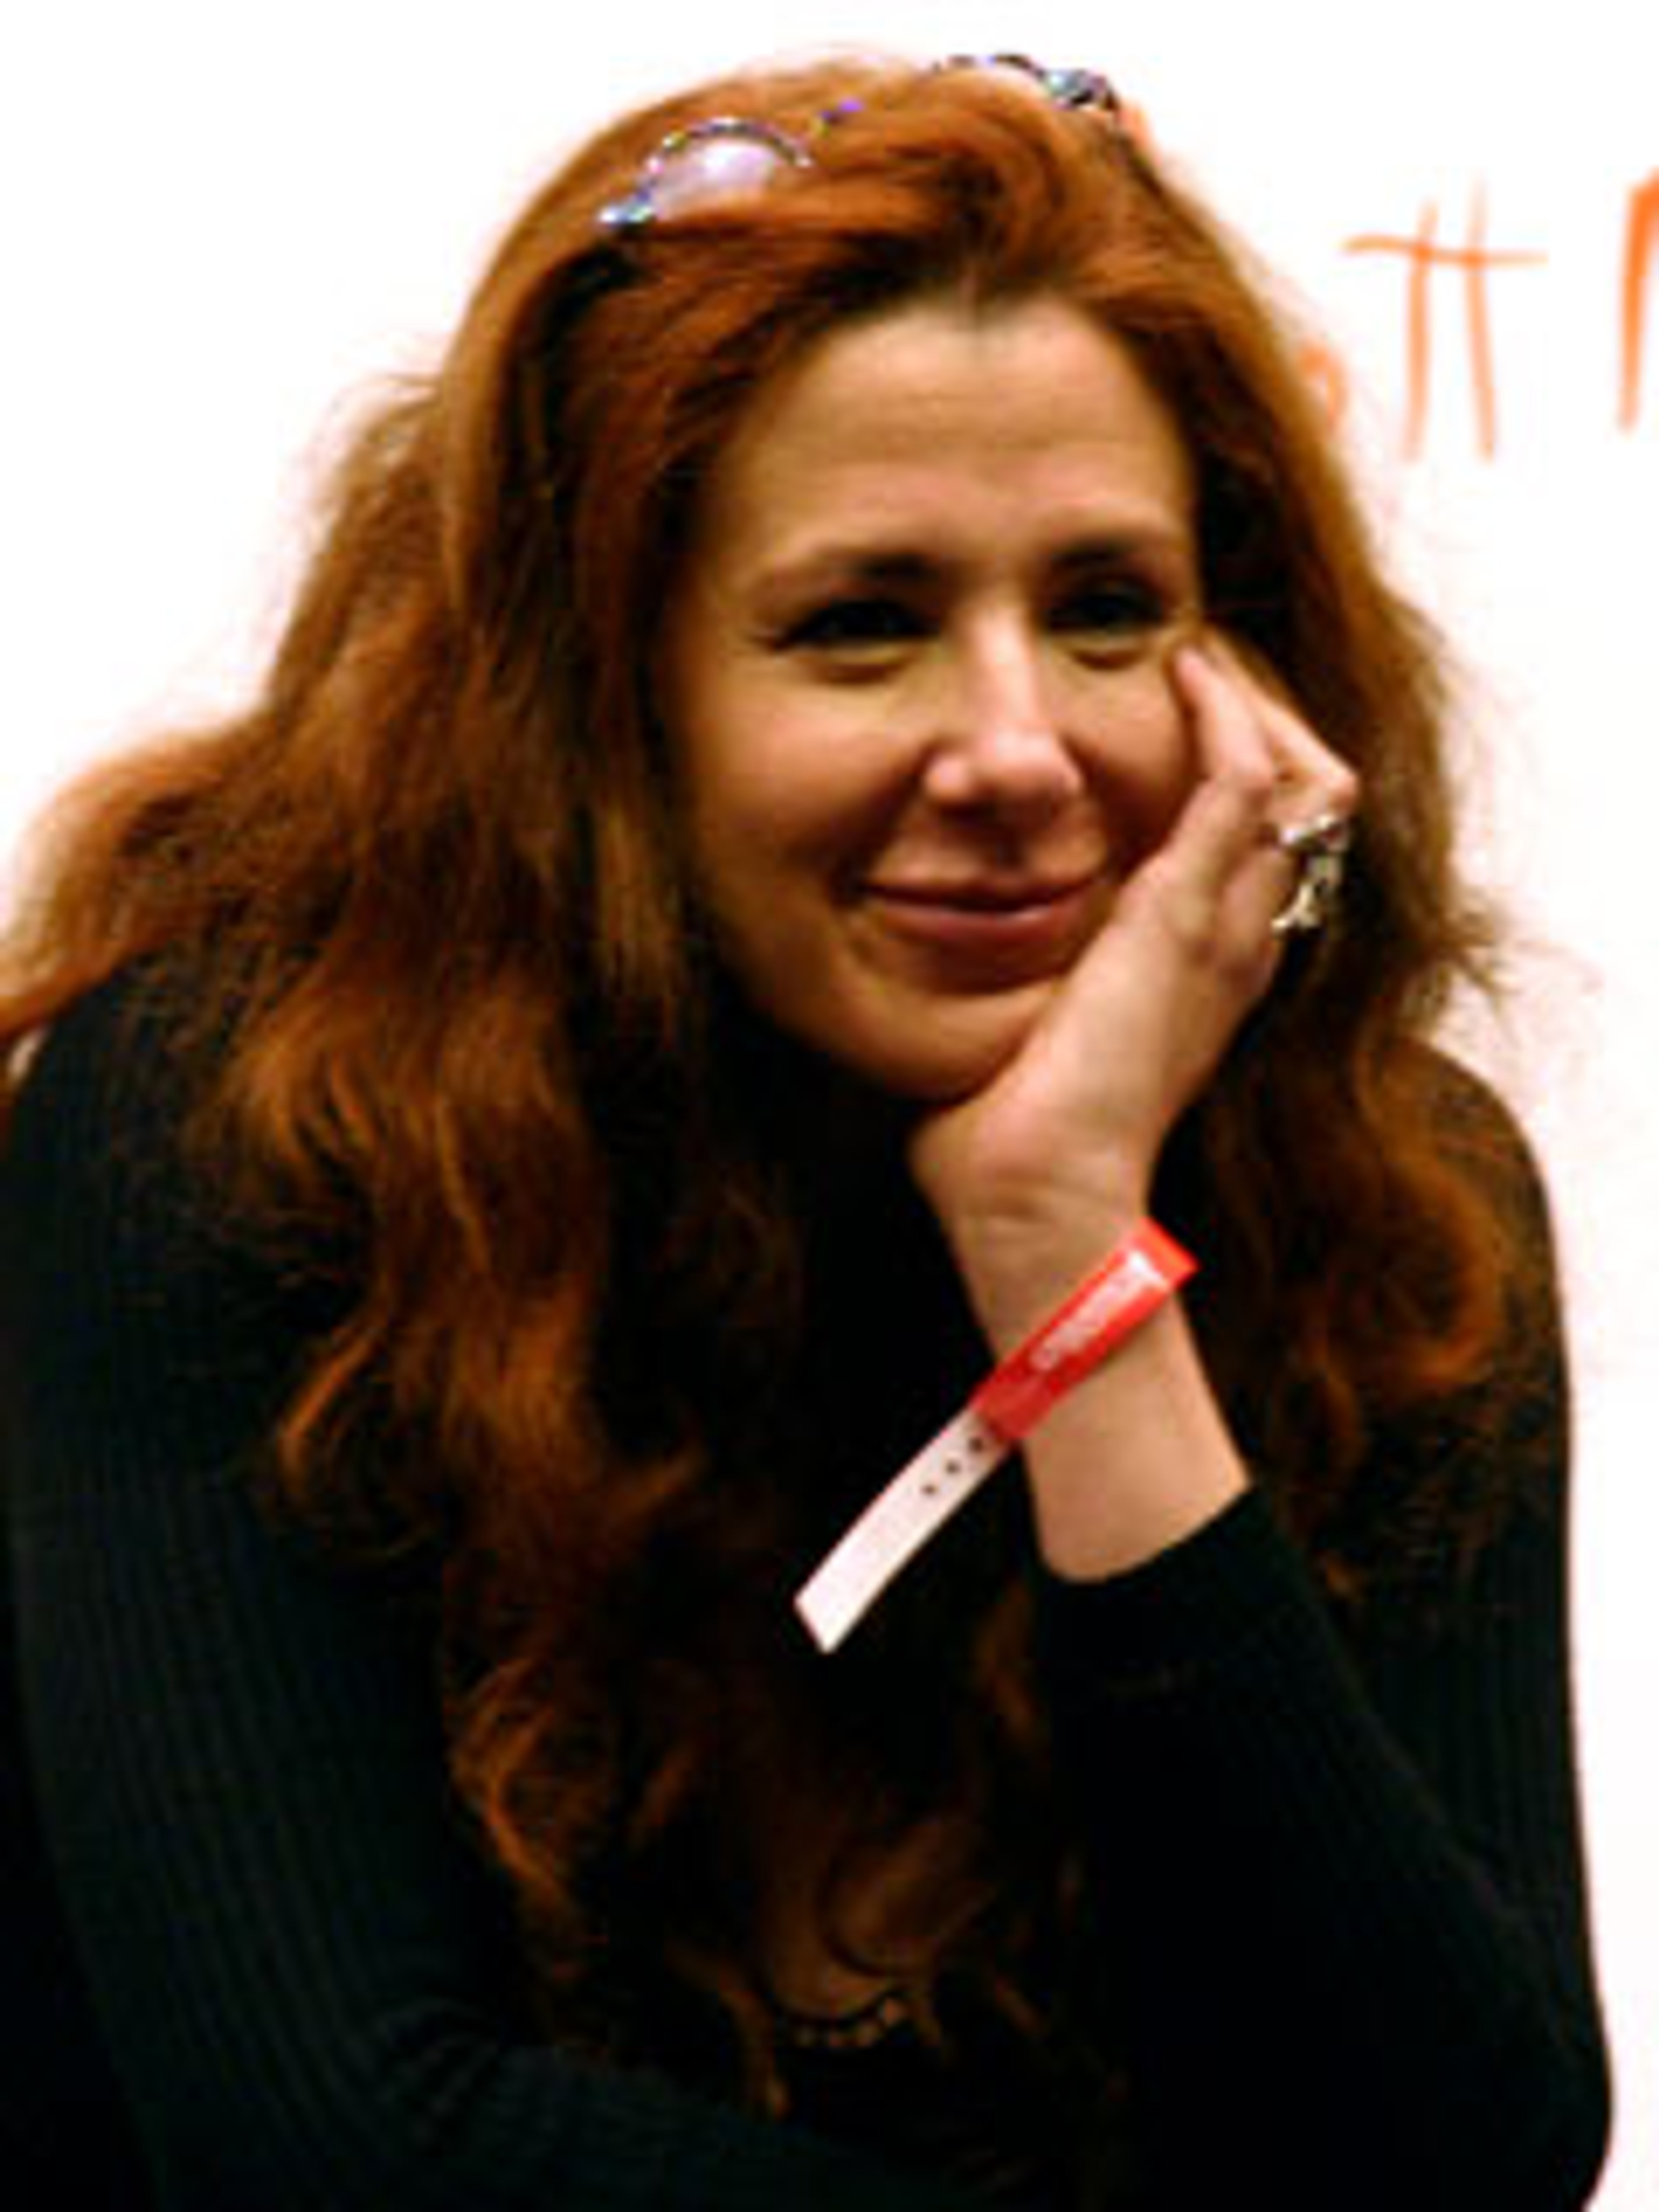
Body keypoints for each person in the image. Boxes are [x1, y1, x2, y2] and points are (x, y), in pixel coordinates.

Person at [0, 48, 1612, 2210]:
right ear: (603, 703)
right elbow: (346, 2141)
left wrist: (1073, 1261)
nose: (1019, 747)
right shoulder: (231, 1133)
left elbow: (1457, 2164)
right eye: (864, 625)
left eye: (1109, 606)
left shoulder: (1390, 1199)